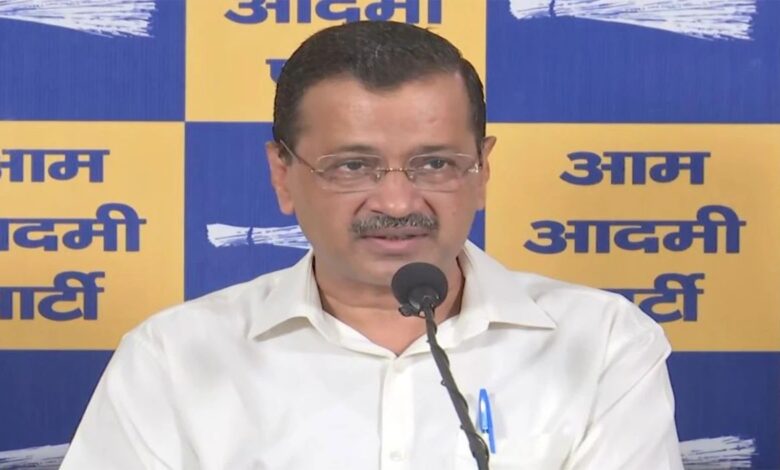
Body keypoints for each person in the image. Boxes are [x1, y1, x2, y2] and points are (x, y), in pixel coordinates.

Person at [61, 21, 683, 470]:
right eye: (353, 166)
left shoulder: (601, 344)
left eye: (435, 163)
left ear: (482, 170)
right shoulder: (174, 358)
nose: (398, 202)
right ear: (282, 175)